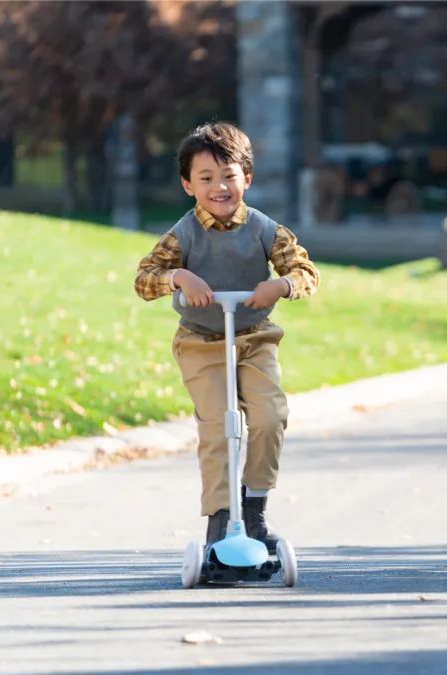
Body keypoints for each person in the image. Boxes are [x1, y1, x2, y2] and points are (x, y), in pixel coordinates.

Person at [135, 121, 320, 548]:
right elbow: (144, 279)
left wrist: (282, 284)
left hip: (254, 336)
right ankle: (220, 517)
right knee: (219, 427)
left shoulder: (265, 229)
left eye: (229, 176)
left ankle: (254, 508)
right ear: (188, 185)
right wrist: (179, 276)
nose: (219, 187)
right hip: (201, 342)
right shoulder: (181, 235)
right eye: (206, 178)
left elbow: (305, 270)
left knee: (270, 416)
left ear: (247, 179)